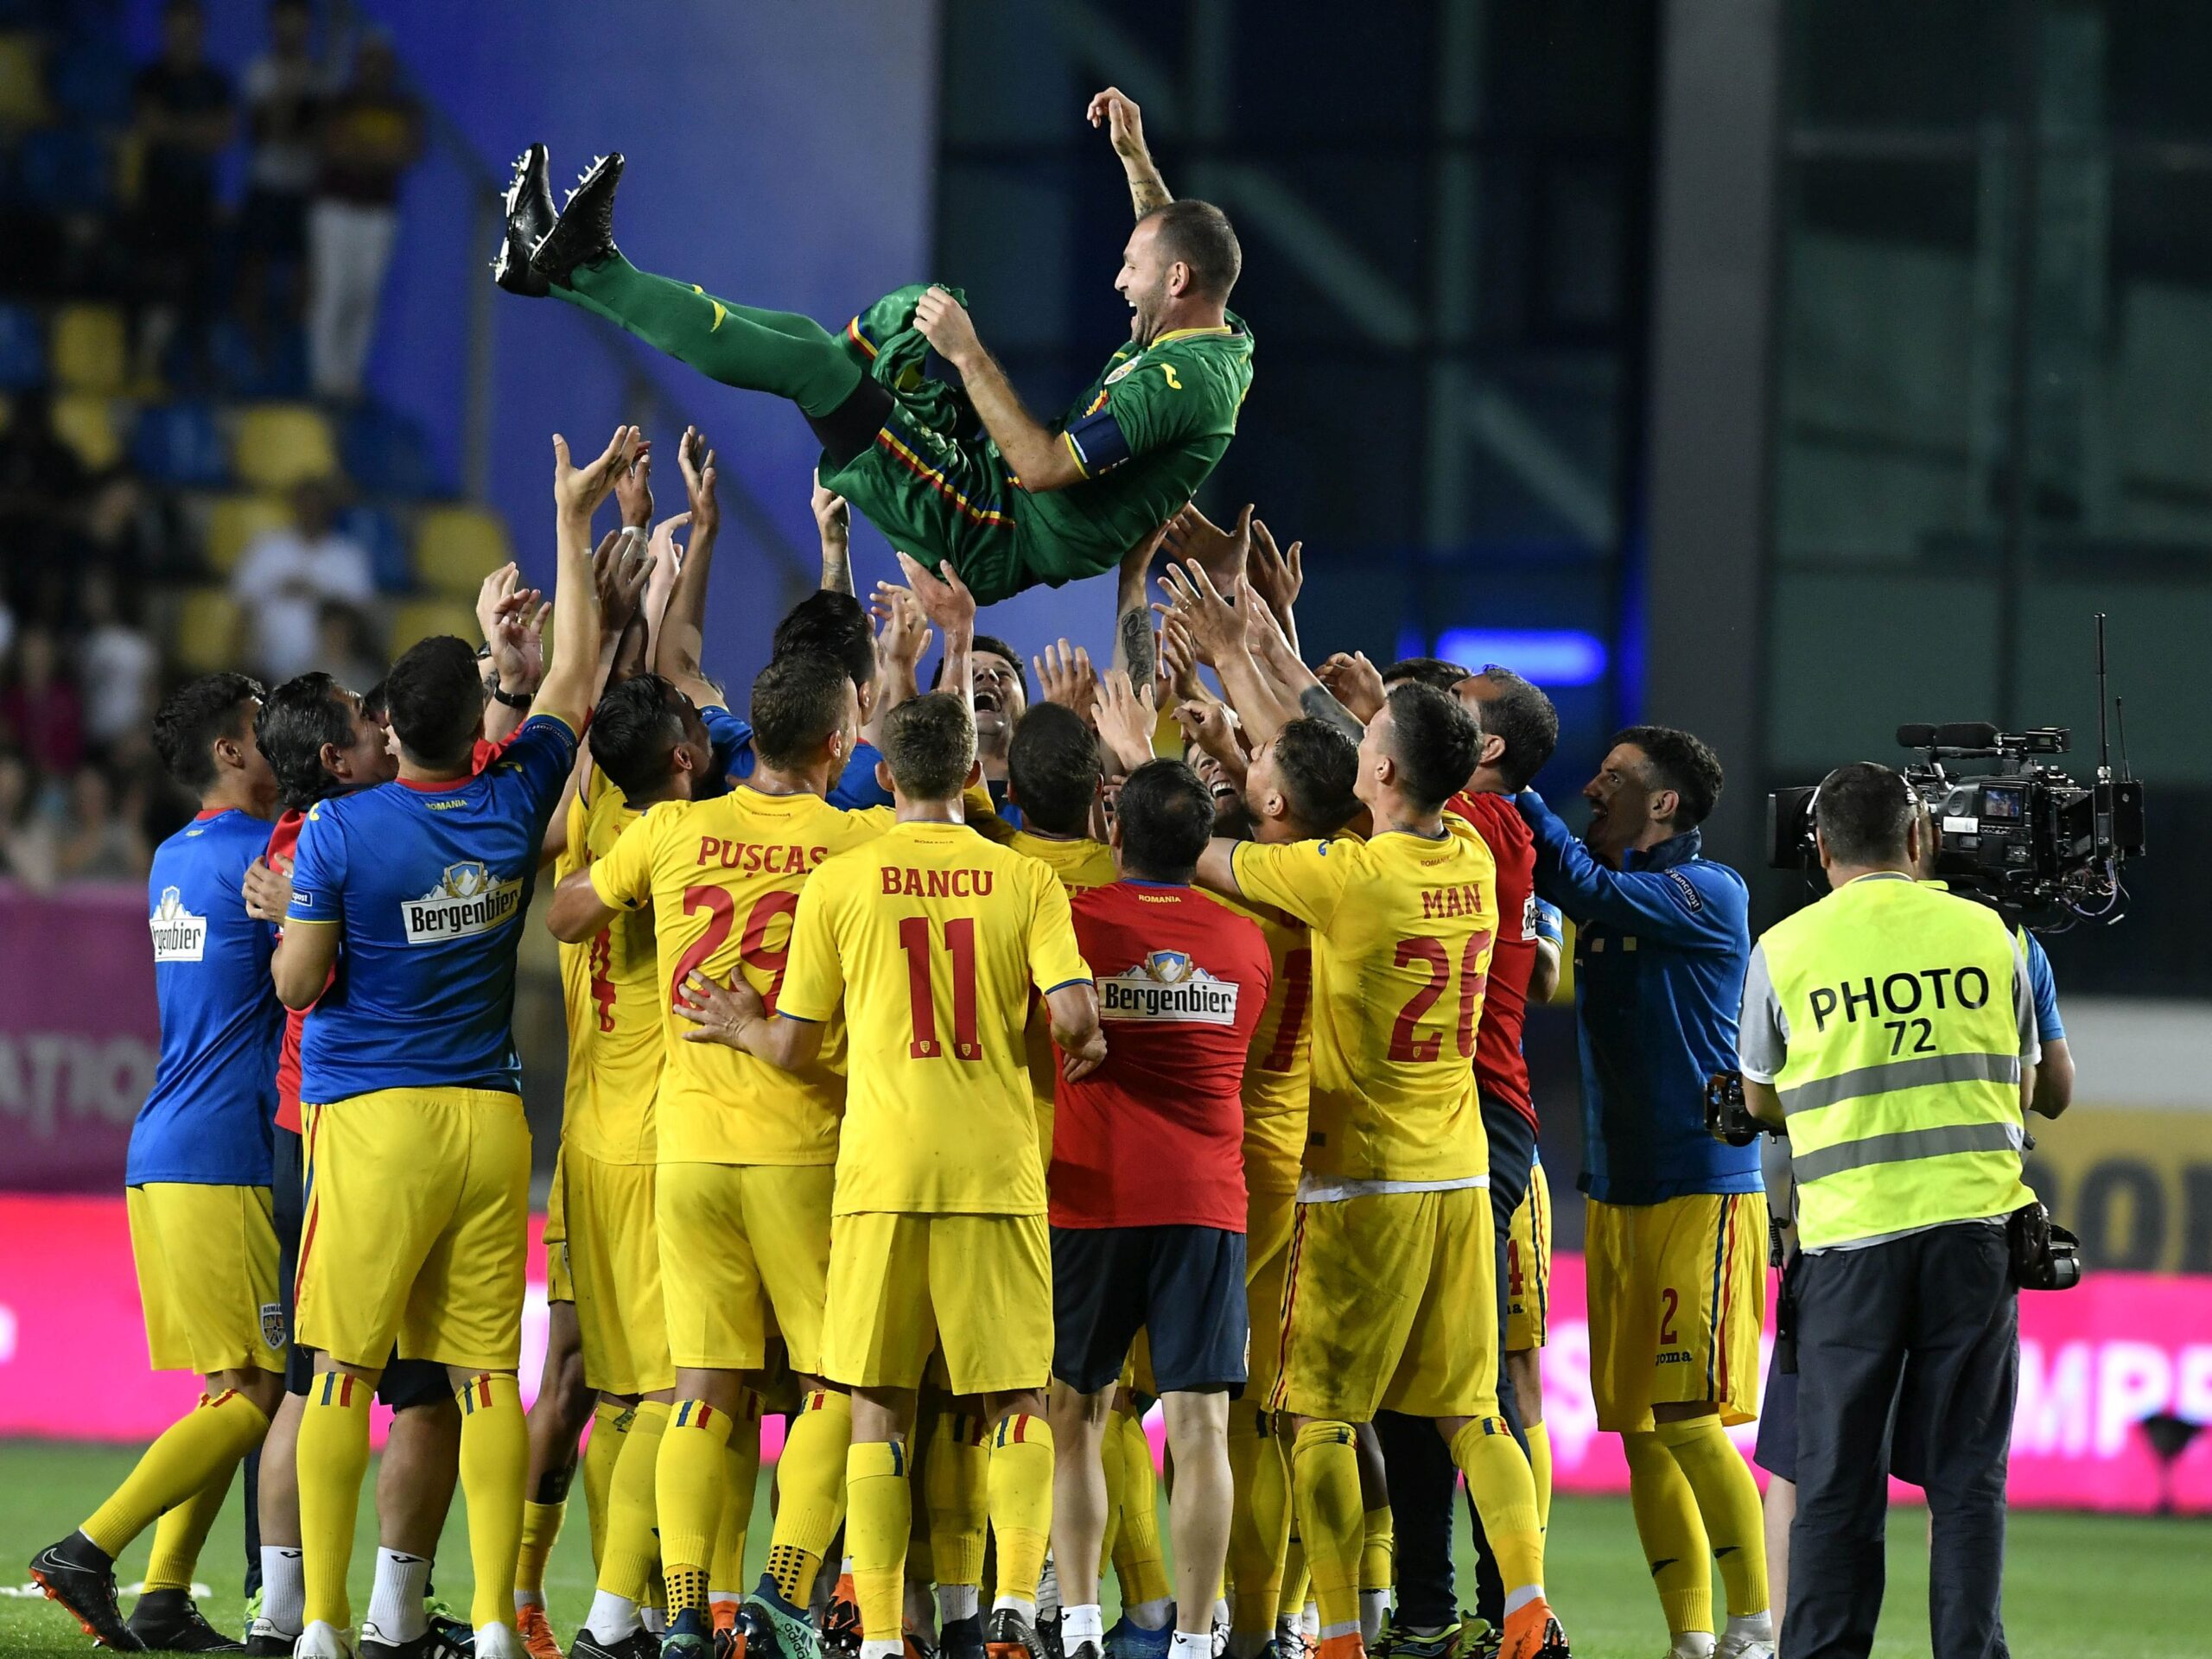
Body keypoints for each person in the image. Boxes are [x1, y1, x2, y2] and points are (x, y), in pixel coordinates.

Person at [269, 426, 626, 1659]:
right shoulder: (514, 792)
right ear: (473, 719)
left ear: (386, 727)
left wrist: (286, 944)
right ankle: (481, 1620)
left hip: (372, 1120)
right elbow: (574, 686)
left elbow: (305, 983)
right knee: (483, 1381)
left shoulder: (337, 833)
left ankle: (318, 1623)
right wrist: (570, 526)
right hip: (487, 1124)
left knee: (339, 1379)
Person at [674, 681, 1108, 1659]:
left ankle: (874, 1635)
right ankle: (1005, 1611)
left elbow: (791, 1046)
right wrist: (1079, 1043)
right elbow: (1077, 1018)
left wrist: (741, 1023)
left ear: (883, 771)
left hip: (877, 1174)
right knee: (1012, 1402)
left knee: (875, 1402)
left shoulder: (842, 881)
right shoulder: (1023, 881)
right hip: (994, 1173)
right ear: (966, 772)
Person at [499, 84, 1252, 607]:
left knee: (811, 367)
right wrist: (1135, 156)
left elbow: (1045, 466)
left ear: (1176, 280)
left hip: (993, 526)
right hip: (998, 487)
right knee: (804, 341)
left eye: (1132, 269)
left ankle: (583, 267)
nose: (1120, 281)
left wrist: (966, 355)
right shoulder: (1213, 332)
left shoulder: (1180, 382)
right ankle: (550, 271)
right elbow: (1174, 249)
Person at [1194, 683, 1569, 1659]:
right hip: (1456, 1171)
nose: (1358, 748)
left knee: (1315, 1411)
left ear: (1389, 769)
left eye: (1367, 738)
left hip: (1360, 1178)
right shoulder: (1477, 860)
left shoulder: (1350, 878)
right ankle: (1527, 1609)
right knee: (1471, 1414)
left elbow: (1207, 857)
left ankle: (1336, 1636)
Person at [1750, 799, 2074, 1648]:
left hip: (1850, 1244)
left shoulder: (1783, 948)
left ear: (1819, 846)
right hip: (1974, 1234)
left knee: (1834, 1480)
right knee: (1967, 1479)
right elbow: (2037, 1084)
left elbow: (1756, 1099)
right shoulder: (1995, 939)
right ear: (1918, 840)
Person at [29, 673, 283, 1654]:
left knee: (227, 1390)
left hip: (166, 1144)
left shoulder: (172, 859)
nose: (280, 746)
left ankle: (166, 1598)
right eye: (265, 731)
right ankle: (89, 1550)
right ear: (229, 751)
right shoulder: (262, 853)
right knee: (261, 1392)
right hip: (222, 1148)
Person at [1517, 728, 1771, 1659]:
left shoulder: (1710, 892)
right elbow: (1568, 884)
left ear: (1664, 804)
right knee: (1639, 1433)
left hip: (1700, 1186)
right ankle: (1691, 1641)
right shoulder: (1628, 890)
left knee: (1685, 1420)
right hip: (1619, 1186)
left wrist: (1511, 782)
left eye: (1614, 779)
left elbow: (1581, 885)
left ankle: (1751, 1631)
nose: (1593, 786)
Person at [241, 671, 473, 1659]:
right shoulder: (329, 839)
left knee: (318, 1379)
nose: (382, 726)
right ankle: (359, 1615)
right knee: (390, 1385)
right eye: (362, 720)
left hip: (331, 1128)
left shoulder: (327, 837)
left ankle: (293, 1611)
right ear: (337, 759)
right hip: (349, 1130)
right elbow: (300, 980)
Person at [1047, 758, 1271, 1659]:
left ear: (1115, 834)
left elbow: (1049, 1029)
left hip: (1093, 1196)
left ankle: (1079, 1623)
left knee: (1076, 1413)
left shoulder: (1074, 923)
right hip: (1205, 1200)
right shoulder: (1245, 941)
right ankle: (1190, 1639)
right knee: (1201, 1425)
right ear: (1202, 845)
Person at [1373, 666, 1561, 1659]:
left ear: (1478, 751)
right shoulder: (1504, 829)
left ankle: (1509, 1611)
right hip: (1469, 1116)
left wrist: (1256, 646)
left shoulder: (1474, 829)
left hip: (1471, 1119)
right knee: (1430, 1380)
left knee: (1473, 1379)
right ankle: (1435, 1611)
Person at [309, 30, 423, 400]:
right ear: (359, 64)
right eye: (368, 59)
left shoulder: (402, 108)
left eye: (381, 61)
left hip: (377, 215)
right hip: (335, 210)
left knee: (364, 296)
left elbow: (406, 153)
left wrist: (365, 150)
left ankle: (348, 379)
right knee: (333, 292)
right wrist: (378, 152)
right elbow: (334, 149)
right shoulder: (341, 102)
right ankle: (323, 378)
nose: (374, 68)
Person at [130, 0, 235, 379]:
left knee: (199, 289)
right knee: (153, 283)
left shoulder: (216, 82)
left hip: (197, 199)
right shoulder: (151, 77)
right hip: (157, 198)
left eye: (190, 26)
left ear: (200, 30)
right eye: (176, 25)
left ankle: (194, 366)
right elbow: (150, 127)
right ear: (166, 28)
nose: (183, 33)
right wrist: (197, 131)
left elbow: (221, 135)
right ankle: (143, 363)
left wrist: (174, 128)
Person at [238, 0, 325, 340]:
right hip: (266, 185)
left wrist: (291, 119)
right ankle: (250, 342)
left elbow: (318, 136)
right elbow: (263, 133)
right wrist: (292, 100)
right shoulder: (259, 72)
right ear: (274, 24)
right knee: (254, 268)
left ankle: (292, 347)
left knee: (303, 274)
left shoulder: (319, 75)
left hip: (303, 188)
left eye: (298, 20)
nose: (291, 28)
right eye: (284, 20)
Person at [231, 479, 376, 682]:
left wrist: (318, 594)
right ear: (295, 506)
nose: (311, 511)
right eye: (305, 504)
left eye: (318, 505)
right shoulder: (266, 549)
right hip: (266, 664)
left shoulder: (348, 556)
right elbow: (243, 609)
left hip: (328, 668)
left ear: (329, 509)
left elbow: (360, 616)